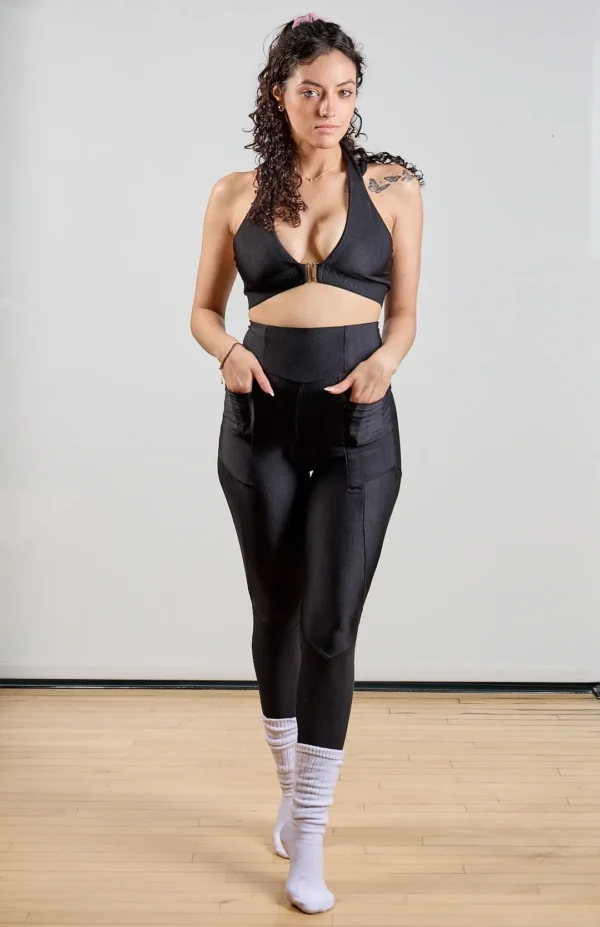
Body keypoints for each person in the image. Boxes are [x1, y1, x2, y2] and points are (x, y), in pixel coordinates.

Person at [189, 12, 424, 915]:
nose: (331, 107)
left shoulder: (394, 187)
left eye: (345, 91)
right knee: (276, 610)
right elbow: (205, 310)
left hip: (360, 423)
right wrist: (227, 354)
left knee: (331, 623)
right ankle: (288, 789)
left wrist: (386, 363)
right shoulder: (234, 192)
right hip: (257, 420)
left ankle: (310, 832)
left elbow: (403, 315)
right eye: (312, 90)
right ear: (278, 94)